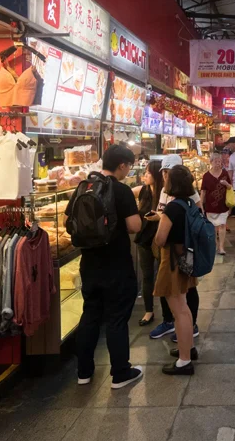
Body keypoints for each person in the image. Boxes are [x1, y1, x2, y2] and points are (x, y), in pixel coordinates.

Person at [71, 146, 145, 388]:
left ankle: (83, 372)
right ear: (122, 165)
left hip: (89, 264)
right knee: (116, 318)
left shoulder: (84, 186)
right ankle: (120, 372)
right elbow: (134, 226)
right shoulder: (121, 190)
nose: (129, 170)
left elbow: (67, 221)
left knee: (90, 315)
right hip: (116, 265)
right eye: (129, 166)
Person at [154, 165, 201, 375]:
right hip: (187, 260)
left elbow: (160, 239)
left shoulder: (172, 208)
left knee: (179, 310)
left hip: (172, 260)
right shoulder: (190, 203)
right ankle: (188, 348)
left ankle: (184, 361)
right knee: (185, 308)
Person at [132, 160, 164, 326]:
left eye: (148, 173)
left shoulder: (165, 193)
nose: (144, 176)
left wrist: (160, 216)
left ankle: (168, 315)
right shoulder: (142, 191)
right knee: (147, 276)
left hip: (160, 239)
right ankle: (148, 311)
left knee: (163, 276)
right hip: (143, 239)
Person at [200, 153, 232, 254]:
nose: (218, 164)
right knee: (212, 227)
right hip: (210, 205)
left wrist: (226, 184)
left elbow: (230, 187)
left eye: (219, 162)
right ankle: (214, 245)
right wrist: (201, 205)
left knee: (222, 225)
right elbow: (203, 191)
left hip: (223, 205)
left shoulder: (224, 174)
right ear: (211, 162)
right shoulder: (206, 176)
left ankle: (221, 247)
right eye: (216, 161)